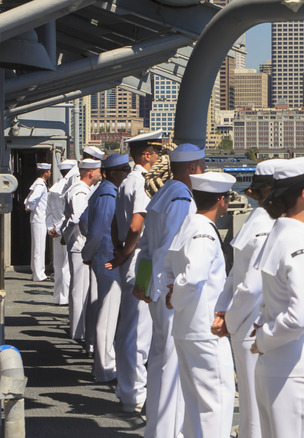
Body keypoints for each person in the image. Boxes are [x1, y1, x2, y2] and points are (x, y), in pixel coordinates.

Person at [244, 157, 304, 437]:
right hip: (298, 374)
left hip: (277, 369)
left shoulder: (281, 234)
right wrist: (263, 338)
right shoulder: (303, 243)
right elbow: (299, 316)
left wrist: (264, 334)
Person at [134, 143, 203, 438]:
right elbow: (170, 249)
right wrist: (170, 287)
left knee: (160, 356)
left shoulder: (163, 192)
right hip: (169, 289)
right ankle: (168, 432)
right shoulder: (182, 198)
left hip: (156, 284)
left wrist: (144, 282)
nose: (203, 172)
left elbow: (148, 247)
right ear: (192, 168)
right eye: (202, 166)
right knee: (172, 364)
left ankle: (157, 429)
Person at [161, 171, 237, 438]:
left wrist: (172, 294)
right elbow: (193, 277)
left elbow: (168, 266)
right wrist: (178, 299)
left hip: (187, 328)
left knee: (194, 403)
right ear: (221, 200)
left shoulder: (188, 224)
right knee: (216, 402)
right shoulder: (204, 231)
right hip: (206, 329)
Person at [218, 159, 283, 438]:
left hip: (246, 325)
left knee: (251, 407)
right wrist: (229, 320)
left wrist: (224, 313)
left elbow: (233, 277)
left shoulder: (256, 221)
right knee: (259, 409)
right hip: (254, 324)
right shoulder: (268, 226)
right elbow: (252, 285)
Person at [108, 130, 162, 413]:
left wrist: (120, 252)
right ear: (146, 155)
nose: (159, 158)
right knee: (138, 330)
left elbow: (117, 223)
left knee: (130, 325)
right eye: (156, 153)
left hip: (133, 260)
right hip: (141, 261)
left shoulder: (126, 181)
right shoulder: (140, 182)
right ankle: (134, 393)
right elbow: (135, 225)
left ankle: (126, 387)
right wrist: (127, 253)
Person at [82, 154, 131, 382]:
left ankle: (102, 366)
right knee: (108, 315)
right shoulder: (109, 194)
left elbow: (84, 221)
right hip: (108, 259)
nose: (127, 174)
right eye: (123, 170)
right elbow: (95, 230)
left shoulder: (102, 191)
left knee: (108, 312)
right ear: (111, 173)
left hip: (107, 257)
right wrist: (89, 254)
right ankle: (105, 369)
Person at [61, 159, 102, 342]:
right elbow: (77, 219)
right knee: (80, 290)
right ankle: (79, 332)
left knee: (82, 289)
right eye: (98, 171)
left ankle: (80, 330)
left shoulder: (81, 189)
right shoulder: (80, 191)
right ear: (90, 172)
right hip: (80, 244)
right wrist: (66, 237)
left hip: (80, 244)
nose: (100, 174)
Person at [47, 159, 77, 305]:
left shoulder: (53, 188)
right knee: (67, 266)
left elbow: (48, 212)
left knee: (58, 266)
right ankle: (65, 298)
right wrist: (59, 230)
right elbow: (70, 214)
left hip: (55, 231)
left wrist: (50, 229)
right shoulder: (69, 188)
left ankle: (58, 296)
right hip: (65, 230)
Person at [24, 163, 52, 282]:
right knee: (39, 247)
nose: (50, 173)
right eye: (49, 171)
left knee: (37, 247)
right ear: (45, 172)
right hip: (39, 218)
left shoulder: (38, 184)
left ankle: (36, 272)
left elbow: (27, 199)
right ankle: (39, 274)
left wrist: (29, 206)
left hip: (37, 218)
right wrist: (31, 207)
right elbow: (31, 199)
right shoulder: (40, 185)